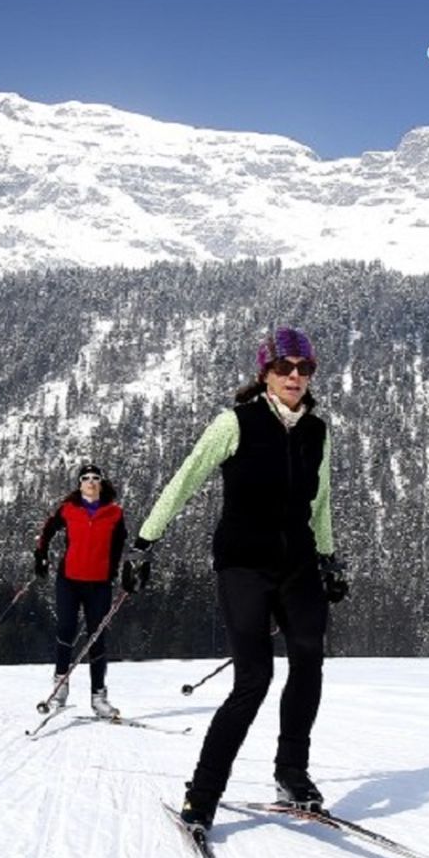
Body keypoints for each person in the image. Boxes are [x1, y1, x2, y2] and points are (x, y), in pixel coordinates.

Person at [122, 326, 349, 830]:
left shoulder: (317, 430)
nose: (295, 377)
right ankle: (202, 795)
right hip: (244, 564)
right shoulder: (235, 423)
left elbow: (322, 498)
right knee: (254, 678)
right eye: (284, 368)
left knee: (309, 658)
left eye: (304, 368)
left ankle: (292, 772)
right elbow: (186, 478)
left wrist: (329, 558)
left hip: (299, 564)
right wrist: (144, 542)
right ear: (264, 373)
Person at [34, 463, 128, 718]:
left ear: (101, 482)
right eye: (85, 478)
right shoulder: (68, 509)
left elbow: (121, 545)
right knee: (66, 630)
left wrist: (121, 572)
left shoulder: (115, 514)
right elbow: (48, 530)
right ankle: (60, 689)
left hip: (99, 584)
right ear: (79, 483)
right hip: (69, 580)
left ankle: (99, 697)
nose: (90, 482)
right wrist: (41, 555)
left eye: (95, 478)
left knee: (97, 638)